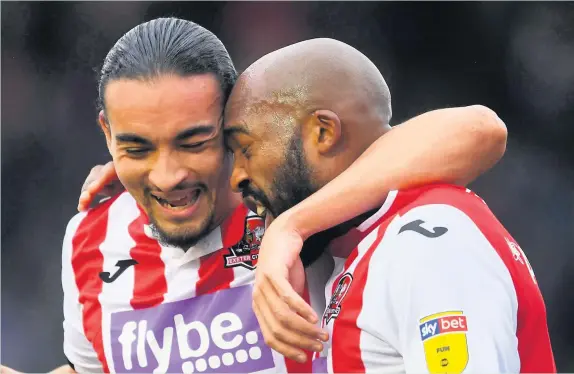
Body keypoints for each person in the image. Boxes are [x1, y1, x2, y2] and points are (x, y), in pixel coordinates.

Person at [34, 18, 506, 374]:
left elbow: (476, 131)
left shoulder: (293, 198)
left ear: (235, 122)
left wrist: (290, 226)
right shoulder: (88, 240)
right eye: (137, 146)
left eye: (194, 142)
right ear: (107, 134)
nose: (167, 175)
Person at [224, 38, 556, 372]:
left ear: (323, 133)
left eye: (246, 149)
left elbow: (483, 128)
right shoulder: (359, 248)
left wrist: (291, 224)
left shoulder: (427, 243)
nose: (236, 177)